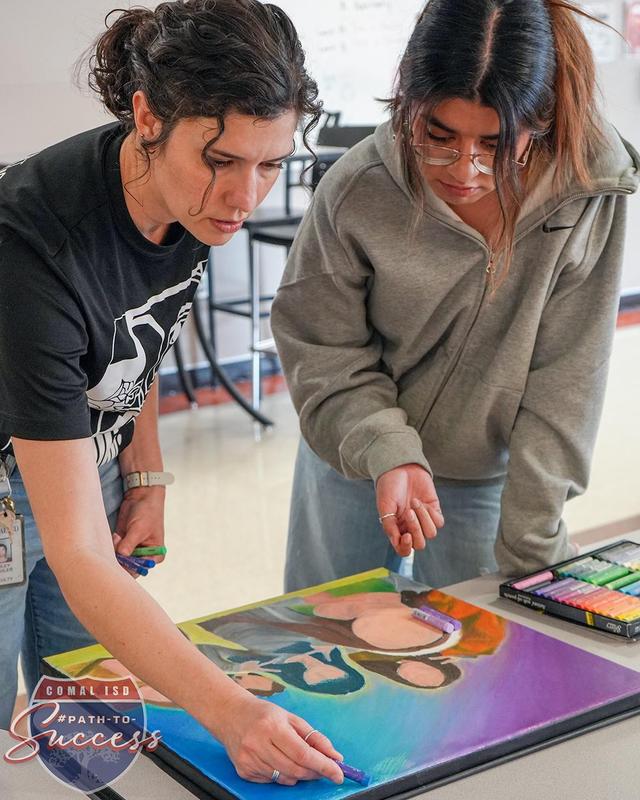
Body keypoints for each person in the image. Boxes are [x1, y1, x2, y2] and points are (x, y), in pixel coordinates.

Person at [0, 0, 346, 786]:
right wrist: (229, 710)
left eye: (271, 164)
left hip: (87, 451)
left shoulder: (190, 199)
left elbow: (136, 336)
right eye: (221, 160)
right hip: (10, 476)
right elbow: (79, 551)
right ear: (148, 116)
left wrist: (146, 473)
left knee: (88, 700)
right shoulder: (31, 246)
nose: (243, 195)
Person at [271, 0, 640, 592]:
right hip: (353, 453)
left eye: (495, 146)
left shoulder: (589, 191)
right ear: (407, 105)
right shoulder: (359, 190)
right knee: (328, 641)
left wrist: (535, 539)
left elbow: (568, 375)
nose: (464, 170)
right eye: (436, 137)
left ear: (540, 123)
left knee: (489, 655)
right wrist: (387, 449)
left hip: (481, 476)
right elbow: (322, 347)